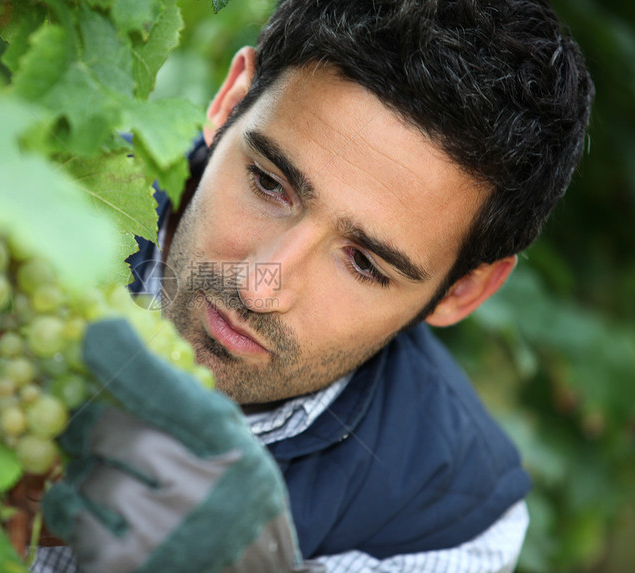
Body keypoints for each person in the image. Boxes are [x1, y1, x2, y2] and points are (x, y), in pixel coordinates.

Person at [32, 0, 594, 571]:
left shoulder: (445, 516)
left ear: (462, 293)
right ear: (229, 102)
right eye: (269, 184)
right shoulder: (6, 198)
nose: (258, 288)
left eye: (366, 264)